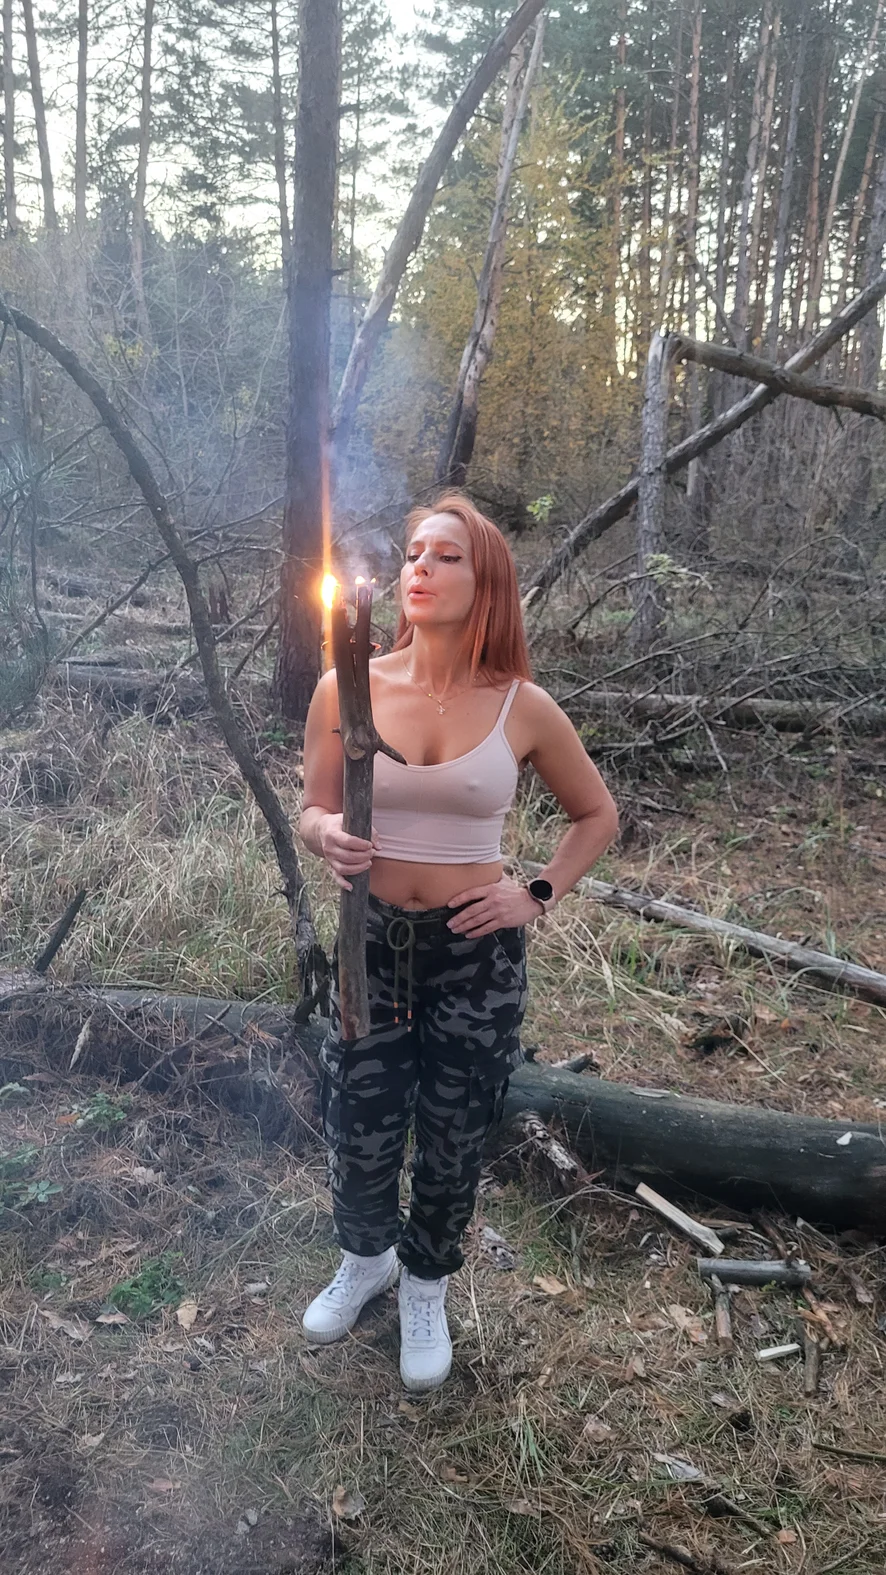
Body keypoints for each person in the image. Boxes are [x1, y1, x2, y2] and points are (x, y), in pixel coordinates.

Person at [298, 492, 618, 1393]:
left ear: (488, 583)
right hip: (370, 943)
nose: (420, 569)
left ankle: (426, 1283)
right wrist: (327, 834)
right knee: (360, 1119)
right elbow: (313, 805)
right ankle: (366, 1260)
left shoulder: (523, 705)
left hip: (475, 956)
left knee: (454, 1127)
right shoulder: (347, 685)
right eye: (413, 553)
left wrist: (535, 893)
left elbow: (597, 814)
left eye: (446, 556)